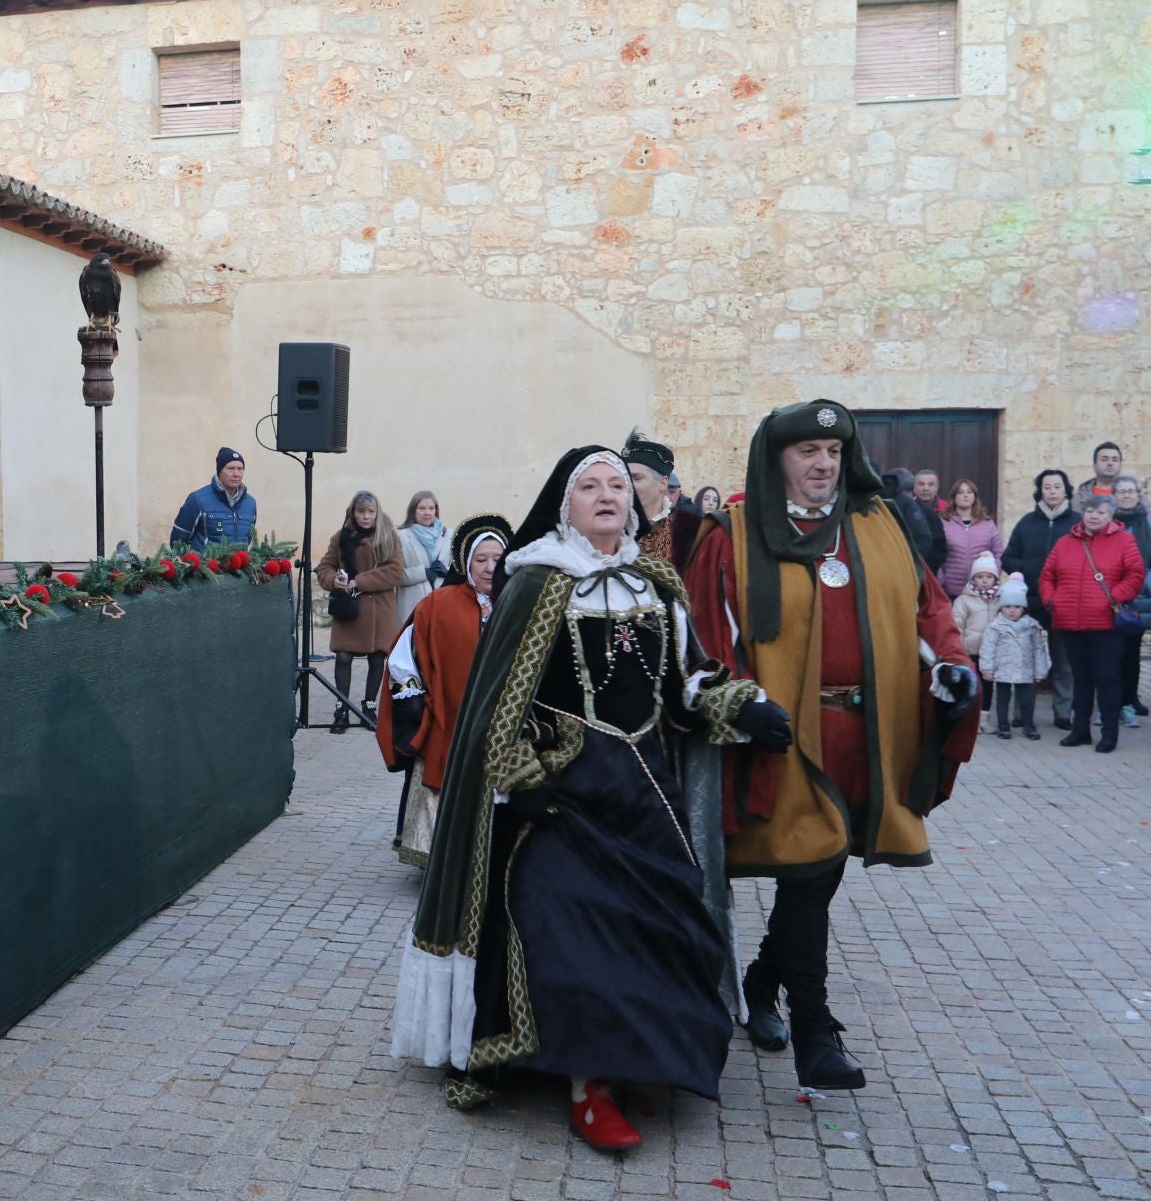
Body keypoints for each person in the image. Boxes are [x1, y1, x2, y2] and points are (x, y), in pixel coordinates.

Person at [391, 446, 782, 1151]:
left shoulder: (657, 584)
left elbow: (687, 682)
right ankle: (588, 1089)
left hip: (645, 793)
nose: (607, 495)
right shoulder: (537, 583)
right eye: (590, 487)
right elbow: (500, 704)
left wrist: (742, 706)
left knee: (667, 928)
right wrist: (521, 772)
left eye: (617, 485)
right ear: (564, 504)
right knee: (570, 931)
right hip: (561, 796)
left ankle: (640, 1058)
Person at [685, 400, 979, 1092]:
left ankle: (761, 983)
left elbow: (928, 609)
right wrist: (740, 704)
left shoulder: (879, 526)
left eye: (833, 452)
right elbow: (704, 639)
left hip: (869, 734)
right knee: (810, 869)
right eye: (807, 452)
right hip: (783, 738)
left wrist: (954, 666)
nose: (823, 464)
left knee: (815, 873)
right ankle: (816, 1030)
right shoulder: (732, 534)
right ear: (777, 459)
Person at [377, 512, 511, 866]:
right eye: (480, 559)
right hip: (446, 718)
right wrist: (413, 697)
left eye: (497, 559)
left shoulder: (521, 606)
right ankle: (439, 860)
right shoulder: (438, 605)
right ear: (466, 563)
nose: (488, 567)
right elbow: (404, 655)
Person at [1038, 495, 1146, 753]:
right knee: (1081, 678)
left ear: (1110, 516)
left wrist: (1114, 597)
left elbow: (1136, 574)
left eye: (1100, 512)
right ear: (1083, 513)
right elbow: (1047, 575)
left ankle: (1109, 734)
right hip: (1070, 622)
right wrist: (1053, 601)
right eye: (1089, 511)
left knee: (1107, 678)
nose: (1094, 516)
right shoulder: (1065, 542)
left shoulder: (1124, 541)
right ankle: (1081, 730)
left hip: (1106, 624)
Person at [314, 492, 408, 734]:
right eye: (361, 511)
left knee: (377, 658)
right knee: (343, 656)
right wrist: (335, 579)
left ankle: (368, 708)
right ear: (353, 512)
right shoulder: (340, 538)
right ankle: (341, 710)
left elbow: (396, 572)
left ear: (377, 513)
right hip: (349, 608)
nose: (366, 517)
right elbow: (324, 567)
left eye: (370, 512)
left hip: (379, 608)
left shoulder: (387, 537)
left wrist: (359, 581)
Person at [1002, 468, 1080, 730]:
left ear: (1065, 490)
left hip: (1063, 602)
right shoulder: (1026, 522)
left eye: (1057, 487)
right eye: (1047, 487)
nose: (1052, 492)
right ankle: (1021, 713)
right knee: (1024, 659)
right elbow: (1008, 557)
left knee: (1064, 661)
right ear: (1040, 491)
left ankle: (1063, 713)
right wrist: (1028, 569)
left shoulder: (1077, 523)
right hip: (1031, 601)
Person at [979, 574, 1050, 740]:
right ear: (1001, 607)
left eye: (1017, 606)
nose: (1012, 610)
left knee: (1027, 700)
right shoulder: (995, 626)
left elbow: (1039, 649)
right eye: (1008, 606)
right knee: (1002, 699)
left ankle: (1028, 725)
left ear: (1023, 608)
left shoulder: (1032, 626)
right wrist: (987, 669)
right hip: (1003, 669)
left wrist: (1041, 670)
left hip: (1025, 670)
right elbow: (987, 648)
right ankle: (1003, 724)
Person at [623, 428, 701, 567]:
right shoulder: (612, 528)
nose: (628, 485)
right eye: (624, 478)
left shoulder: (687, 530)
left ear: (663, 483)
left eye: (636, 478)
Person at [1112, 475, 1151, 723]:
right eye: (1121, 491)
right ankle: (1111, 700)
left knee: (1132, 652)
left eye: (1131, 491)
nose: (1126, 495)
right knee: (1109, 651)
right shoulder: (1107, 523)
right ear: (1114, 495)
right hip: (1111, 595)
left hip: (1139, 597)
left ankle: (1130, 697)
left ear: (1138, 495)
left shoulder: (1146, 525)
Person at [170, 447, 256, 552]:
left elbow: (249, 539)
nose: (236, 474)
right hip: (206, 567)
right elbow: (177, 543)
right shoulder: (197, 500)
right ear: (220, 471)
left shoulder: (250, 503)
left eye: (240, 469)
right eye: (230, 468)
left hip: (240, 567)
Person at [950, 553, 1000, 721]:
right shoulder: (964, 600)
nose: (984, 580)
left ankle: (984, 716)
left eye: (988, 577)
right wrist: (960, 644)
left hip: (992, 652)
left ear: (995, 578)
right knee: (971, 684)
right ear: (973, 579)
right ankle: (969, 717)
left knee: (988, 685)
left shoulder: (1001, 599)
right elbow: (957, 623)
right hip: (971, 649)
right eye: (980, 577)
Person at [937, 478, 1005, 599]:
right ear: (954, 497)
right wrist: (942, 580)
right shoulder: (943, 523)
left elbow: (999, 553)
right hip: (950, 592)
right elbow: (935, 555)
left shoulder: (987, 523)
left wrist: (992, 575)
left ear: (975, 496)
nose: (965, 495)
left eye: (969, 492)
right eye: (960, 492)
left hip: (982, 594)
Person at [394, 490, 451, 624]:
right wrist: (423, 573)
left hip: (443, 604)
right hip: (412, 607)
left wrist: (447, 571)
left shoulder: (449, 534)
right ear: (413, 510)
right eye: (422, 508)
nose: (427, 512)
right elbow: (395, 575)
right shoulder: (400, 536)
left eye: (431, 508)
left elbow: (460, 570)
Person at [883, 467, 949, 574]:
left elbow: (939, 548)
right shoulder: (882, 507)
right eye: (921, 484)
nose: (925, 489)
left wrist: (925, 570)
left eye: (930, 484)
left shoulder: (929, 514)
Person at [1077, 441, 1125, 506]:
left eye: (1115, 460)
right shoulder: (1079, 497)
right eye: (1104, 459)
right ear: (1094, 465)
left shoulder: (1134, 495)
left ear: (1120, 465)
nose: (1110, 463)